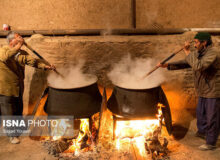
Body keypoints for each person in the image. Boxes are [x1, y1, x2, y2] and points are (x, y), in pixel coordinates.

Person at [158, 32, 220, 151]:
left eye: (196, 42)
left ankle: (211, 142)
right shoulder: (200, 52)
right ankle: (202, 133)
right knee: (201, 113)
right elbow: (187, 62)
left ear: (204, 43)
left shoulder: (213, 53)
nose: (195, 45)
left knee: (212, 116)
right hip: (203, 89)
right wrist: (168, 65)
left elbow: (198, 66)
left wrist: (187, 52)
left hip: (213, 90)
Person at [0, 32, 55, 144]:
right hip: (5, 89)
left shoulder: (22, 53)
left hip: (18, 88)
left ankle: (18, 129)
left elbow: (33, 62)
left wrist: (45, 66)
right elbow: (7, 57)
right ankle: (12, 135)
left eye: (21, 37)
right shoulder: (3, 50)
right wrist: (19, 45)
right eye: (18, 38)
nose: (22, 39)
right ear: (12, 41)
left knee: (18, 110)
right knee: (8, 113)